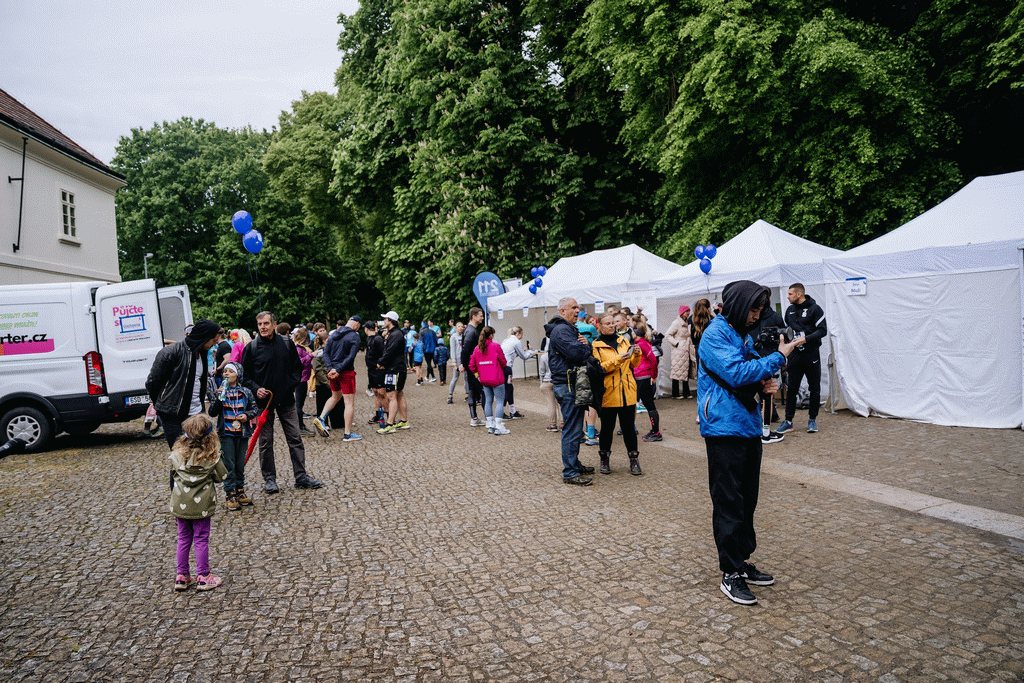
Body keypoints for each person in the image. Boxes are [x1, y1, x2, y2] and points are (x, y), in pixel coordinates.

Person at [697, 280, 804, 605]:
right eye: (753, 309)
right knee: (728, 502)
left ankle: (741, 561)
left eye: (760, 310)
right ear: (739, 306)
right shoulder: (715, 335)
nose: (757, 316)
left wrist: (765, 384)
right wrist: (779, 358)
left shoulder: (739, 334)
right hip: (723, 429)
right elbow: (737, 373)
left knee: (747, 500)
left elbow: (751, 374)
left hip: (746, 427)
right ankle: (730, 572)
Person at [241, 311, 323, 493]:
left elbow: (297, 368)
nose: (263, 327)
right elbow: (244, 376)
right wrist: (256, 389)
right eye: (260, 324)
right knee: (265, 442)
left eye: (266, 323)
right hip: (263, 404)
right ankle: (270, 479)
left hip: (286, 400)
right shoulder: (251, 348)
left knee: (295, 438)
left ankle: (301, 476)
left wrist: (290, 385)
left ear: (274, 324)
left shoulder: (286, 343)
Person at [169, 413, 227, 592]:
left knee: (183, 538)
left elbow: (173, 474)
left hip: (180, 504)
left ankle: (181, 576)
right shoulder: (212, 458)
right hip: (201, 506)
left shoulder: (176, 456)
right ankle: (203, 575)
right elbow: (222, 476)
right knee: (201, 539)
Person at [544, 297, 596, 486]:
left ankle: (574, 464)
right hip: (568, 385)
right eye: (573, 307)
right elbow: (577, 353)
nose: (577, 311)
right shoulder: (562, 330)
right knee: (572, 429)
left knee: (575, 428)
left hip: (570, 383)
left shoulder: (566, 329)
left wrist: (584, 346)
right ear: (562, 311)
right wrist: (586, 346)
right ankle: (570, 472)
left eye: (578, 308)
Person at [146, 319, 222, 449]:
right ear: (204, 337)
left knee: (199, 453)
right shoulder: (171, 352)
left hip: (197, 413)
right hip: (173, 415)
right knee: (179, 454)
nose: (214, 344)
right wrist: (161, 405)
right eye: (213, 341)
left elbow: (200, 382)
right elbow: (152, 382)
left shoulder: (203, 353)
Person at [592, 313, 643, 475]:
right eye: (607, 323)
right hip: (609, 392)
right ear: (600, 326)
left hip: (627, 391)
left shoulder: (624, 340)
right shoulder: (596, 346)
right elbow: (600, 368)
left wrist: (637, 354)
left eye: (613, 323)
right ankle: (604, 459)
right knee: (607, 428)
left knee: (629, 428)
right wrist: (618, 359)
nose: (612, 326)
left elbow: (633, 365)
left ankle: (634, 460)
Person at [778, 283, 827, 435]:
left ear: (799, 294)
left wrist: (805, 339)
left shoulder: (815, 309)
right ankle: (788, 421)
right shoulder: (789, 310)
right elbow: (788, 331)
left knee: (814, 388)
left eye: (790, 294)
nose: (787, 297)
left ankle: (812, 420)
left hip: (811, 355)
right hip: (795, 356)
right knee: (792, 388)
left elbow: (822, 331)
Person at [209, 362, 258, 511]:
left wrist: (247, 415)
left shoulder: (245, 392)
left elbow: (254, 408)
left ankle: (239, 490)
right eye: (225, 371)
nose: (226, 374)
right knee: (229, 463)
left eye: (230, 371)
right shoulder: (220, 392)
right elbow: (212, 412)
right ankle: (230, 493)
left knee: (239, 463)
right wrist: (219, 397)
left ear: (238, 375)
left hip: (242, 433)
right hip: (226, 433)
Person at [315, 315, 363, 442]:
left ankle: (321, 418)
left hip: (333, 372)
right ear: (356, 324)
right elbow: (351, 357)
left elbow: (325, 353)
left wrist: (331, 368)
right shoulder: (354, 336)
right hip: (346, 372)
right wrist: (338, 369)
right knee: (349, 402)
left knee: (335, 397)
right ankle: (347, 434)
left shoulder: (334, 334)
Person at [750, 294, 787, 445]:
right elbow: (784, 337)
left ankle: (763, 430)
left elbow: (783, 335)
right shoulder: (773, 317)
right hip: (765, 360)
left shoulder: (756, 316)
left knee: (764, 394)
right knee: (766, 395)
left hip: (759, 360)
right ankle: (764, 432)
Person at [469, 325, 510, 435]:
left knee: (488, 400)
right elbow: (504, 362)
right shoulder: (496, 346)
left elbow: (471, 365)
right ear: (491, 335)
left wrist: (477, 375)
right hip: (496, 378)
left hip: (484, 379)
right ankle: (499, 426)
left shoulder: (477, 348)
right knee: (500, 401)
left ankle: (490, 425)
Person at [376, 311, 411, 434]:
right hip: (396, 368)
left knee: (391, 396)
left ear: (391, 320)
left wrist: (380, 362)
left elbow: (389, 351)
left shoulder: (395, 334)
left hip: (394, 369)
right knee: (399, 394)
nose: (384, 321)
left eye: (385, 319)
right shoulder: (394, 333)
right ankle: (404, 421)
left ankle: (390, 424)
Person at [633, 317, 662, 443]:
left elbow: (653, 360)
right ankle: (654, 431)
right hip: (640, 377)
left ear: (636, 333)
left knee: (649, 405)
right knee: (645, 404)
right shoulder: (640, 343)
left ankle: (656, 432)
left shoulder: (642, 344)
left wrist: (653, 375)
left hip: (643, 378)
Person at [311, 326, 345, 431]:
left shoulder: (334, 350)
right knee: (322, 403)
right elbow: (317, 369)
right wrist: (327, 382)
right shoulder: (319, 352)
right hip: (323, 382)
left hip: (333, 379)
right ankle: (323, 423)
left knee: (338, 402)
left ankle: (338, 422)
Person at [500, 326, 535, 419]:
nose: (522, 336)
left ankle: (512, 411)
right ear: (518, 333)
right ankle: (502, 412)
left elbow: (512, 354)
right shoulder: (516, 341)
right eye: (522, 334)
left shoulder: (506, 340)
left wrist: (524, 351)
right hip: (507, 368)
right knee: (508, 389)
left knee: (509, 388)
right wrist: (532, 351)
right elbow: (524, 356)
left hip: (502, 367)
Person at [460, 308, 485, 427]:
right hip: (474, 367)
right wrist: (464, 364)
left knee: (473, 391)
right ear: (474, 316)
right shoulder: (471, 331)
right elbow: (465, 349)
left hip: (471, 366)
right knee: (482, 391)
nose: (482, 318)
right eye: (480, 315)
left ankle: (474, 418)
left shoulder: (470, 330)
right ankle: (488, 418)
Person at [665, 305, 694, 399]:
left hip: (686, 349)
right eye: (686, 311)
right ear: (682, 312)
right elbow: (667, 335)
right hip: (678, 351)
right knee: (677, 371)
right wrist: (676, 343)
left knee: (685, 371)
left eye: (689, 311)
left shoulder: (687, 322)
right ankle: (675, 393)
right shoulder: (676, 323)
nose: (688, 313)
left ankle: (686, 392)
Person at [364, 321, 388, 429]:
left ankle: (389, 417)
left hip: (378, 370)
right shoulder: (368, 339)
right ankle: (378, 415)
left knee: (382, 393)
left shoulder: (378, 339)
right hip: (371, 370)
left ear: (367, 328)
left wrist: (382, 364)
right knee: (376, 393)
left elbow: (384, 353)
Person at [293, 327, 314, 433]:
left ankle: (300, 426)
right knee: (299, 404)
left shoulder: (301, 348)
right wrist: (310, 355)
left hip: (303, 378)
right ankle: (300, 427)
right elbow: (298, 362)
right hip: (300, 379)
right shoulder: (297, 348)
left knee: (299, 404)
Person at [537, 337, 561, 432]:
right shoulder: (561, 354)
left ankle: (553, 425)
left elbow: (541, 372)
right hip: (559, 380)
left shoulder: (544, 356)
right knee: (561, 404)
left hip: (547, 382)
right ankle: (563, 423)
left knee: (551, 404)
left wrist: (541, 382)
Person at [447, 322, 465, 404]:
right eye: (459, 326)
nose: (460, 328)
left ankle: (467, 394)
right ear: (456, 327)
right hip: (457, 360)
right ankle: (450, 395)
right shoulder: (453, 337)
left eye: (462, 326)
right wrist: (453, 361)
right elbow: (452, 349)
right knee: (455, 377)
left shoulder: (465, 336)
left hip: (464, 359)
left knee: (466, 378)